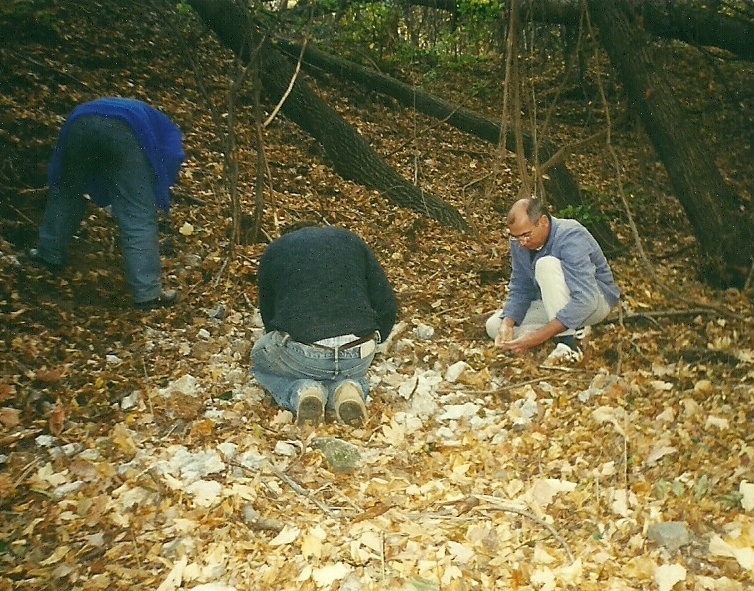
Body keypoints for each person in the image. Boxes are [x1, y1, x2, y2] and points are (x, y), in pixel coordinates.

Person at [29, 97, 184, 309]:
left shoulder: (144, 114)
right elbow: (173, 156)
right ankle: (147, 293)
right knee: (137, 213)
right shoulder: (169, 131)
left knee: (66, 192)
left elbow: (72, 177)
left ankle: (48, 254)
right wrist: (157, 188)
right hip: (125, 128)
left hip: (78, 121)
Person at [250, 224, 397, 428]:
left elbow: (270, 317)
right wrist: (376, 339)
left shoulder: (275, 250)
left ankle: (302, 391)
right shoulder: (352, 240)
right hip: (358, 354)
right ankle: (348, 389)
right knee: (339, 371)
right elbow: (387, 304)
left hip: (303, 355)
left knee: (258, 360)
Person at [486, 197, 619, 365]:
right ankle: (565, 330)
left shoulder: (570, 235)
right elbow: (520, 287)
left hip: (595, 302)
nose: (521, 243)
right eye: (515, 237)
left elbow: (587, 300)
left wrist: (539, 336)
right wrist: (508, 323)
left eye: (526, 235)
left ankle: (567, 344)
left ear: (543, 222)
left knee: (546, 265)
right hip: (553, 303)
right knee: (494, 327)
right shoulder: (518, 243)